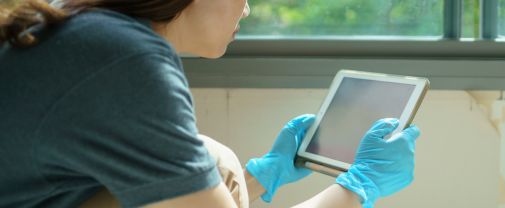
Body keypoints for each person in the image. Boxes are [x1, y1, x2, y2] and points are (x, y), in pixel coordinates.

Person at [0, 0, 421, 207]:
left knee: (218, 163)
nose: (248, 8)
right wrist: (356, 188)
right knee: (218, 163)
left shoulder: (87, 28)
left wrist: (260, 177)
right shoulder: (125, 61)